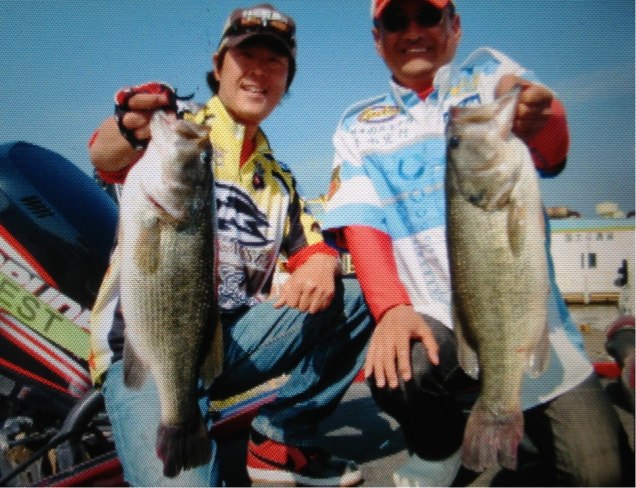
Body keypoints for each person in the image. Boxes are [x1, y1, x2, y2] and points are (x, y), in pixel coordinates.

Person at [322, 0, 633, 485]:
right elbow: (363, 223)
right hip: (437, 328)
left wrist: (538, 110)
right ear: (378, 39)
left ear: (455, 26)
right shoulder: (356, 125)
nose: (413, 30)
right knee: (401, 367)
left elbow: (551, 148)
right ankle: (440, 446)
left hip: (537, 330)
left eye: (428, 16)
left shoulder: (488, 76)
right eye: (396, 21)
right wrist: (390, 308)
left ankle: (512, 423)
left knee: (604, 474)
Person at [88, 4, 373, 486]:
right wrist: (132, 125)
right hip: (148, 349)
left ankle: (281, 437)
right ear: (218, 67)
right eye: (246, 56)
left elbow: (312, 244)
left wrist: (320, 264)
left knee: (357, 297)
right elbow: (105, 153)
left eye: (274, 61)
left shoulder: (278, 179)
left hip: (228, 347)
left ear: (287, 80)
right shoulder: (176, 131)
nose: (259, 70)